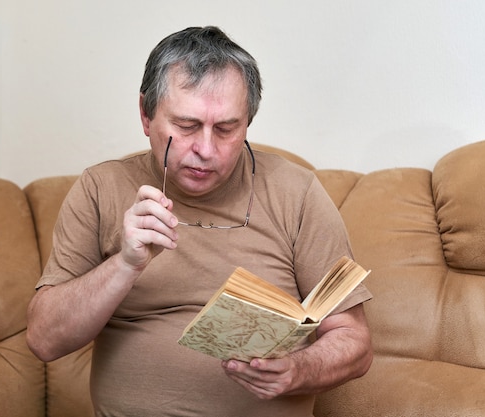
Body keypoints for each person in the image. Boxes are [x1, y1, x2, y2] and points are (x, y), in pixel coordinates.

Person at [26, 26, 372, 417]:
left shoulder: (298, 192)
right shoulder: (99, 188)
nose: (205, 150)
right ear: (146, 114)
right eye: (186, 126)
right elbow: (44, 340)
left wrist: (298, 370)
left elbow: (354, 341)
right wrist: (124, 264)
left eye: (226, 129)